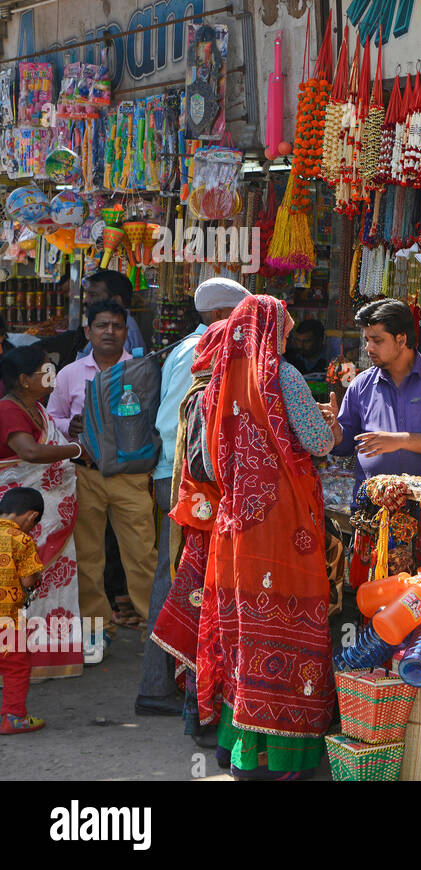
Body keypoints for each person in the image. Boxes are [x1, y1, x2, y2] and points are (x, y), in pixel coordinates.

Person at [196, 295, 341, 779]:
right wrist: (333, 425)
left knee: (243, 627)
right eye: (283, 329)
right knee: (287, 621)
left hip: (236, 521)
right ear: (271, 331)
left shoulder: (218, 377)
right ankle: (280, 756)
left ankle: (237, 747)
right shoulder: (283, 376)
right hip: (283, 522)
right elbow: (318, 442)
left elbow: (211, 453)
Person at [136, 277, 249, 717]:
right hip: (184, 478)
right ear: (224, 315)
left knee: (187, 578)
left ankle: (183, 687)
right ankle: (160, 686)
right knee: (180, 580)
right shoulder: (206, 351)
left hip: (176, 474)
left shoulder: (187, 347)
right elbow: (183, 425)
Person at [49, 300, 157, 665]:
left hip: (130, 477)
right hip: (85, 474)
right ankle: (96, 631)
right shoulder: (70, 374)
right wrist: (70, 427)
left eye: (116, 325)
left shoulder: (141, 371)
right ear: (88, 332)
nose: (108, 331)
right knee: (88, 558)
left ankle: (155, 632)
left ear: (126, 332)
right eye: (101, 325)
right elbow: (51, 418)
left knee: (142, 557)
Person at [150, 319, 229, 747]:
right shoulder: (209, 396)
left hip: (200, 518)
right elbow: (207, 467)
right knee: (203, 612)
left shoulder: (201, 392)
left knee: (198, 608)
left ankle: (196, 712)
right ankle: (199, 711)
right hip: (207, 521)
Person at [0, 349, 83, 680]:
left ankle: (44, 660)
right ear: (24, 380)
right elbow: (30, 452)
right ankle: (16, 663)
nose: (52, 378)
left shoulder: (34, 408)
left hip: (46, 520)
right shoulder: (8, 410)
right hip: (21, 518)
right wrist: (77, 450)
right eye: (45, 372)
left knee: (46, 589)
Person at [330, 299, 421, 495]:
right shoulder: (361, 385)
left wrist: (400, 440)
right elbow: (344, 445)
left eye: (377, 341)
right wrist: (334, 430)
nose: (369, 348)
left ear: (401, 340)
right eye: (367, 340)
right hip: (371, 509)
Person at [0, 487, 48, 734]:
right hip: (7, 620)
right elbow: (28, 581)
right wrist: (37, 573)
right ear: (31, 516)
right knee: (15, 667)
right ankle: (13, 717)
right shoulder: (22, 540)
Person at [78, 271, 145, 358]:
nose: (85, 301)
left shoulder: (120, 331)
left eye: (93, 295)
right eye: (86, 295)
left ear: (116, 301)